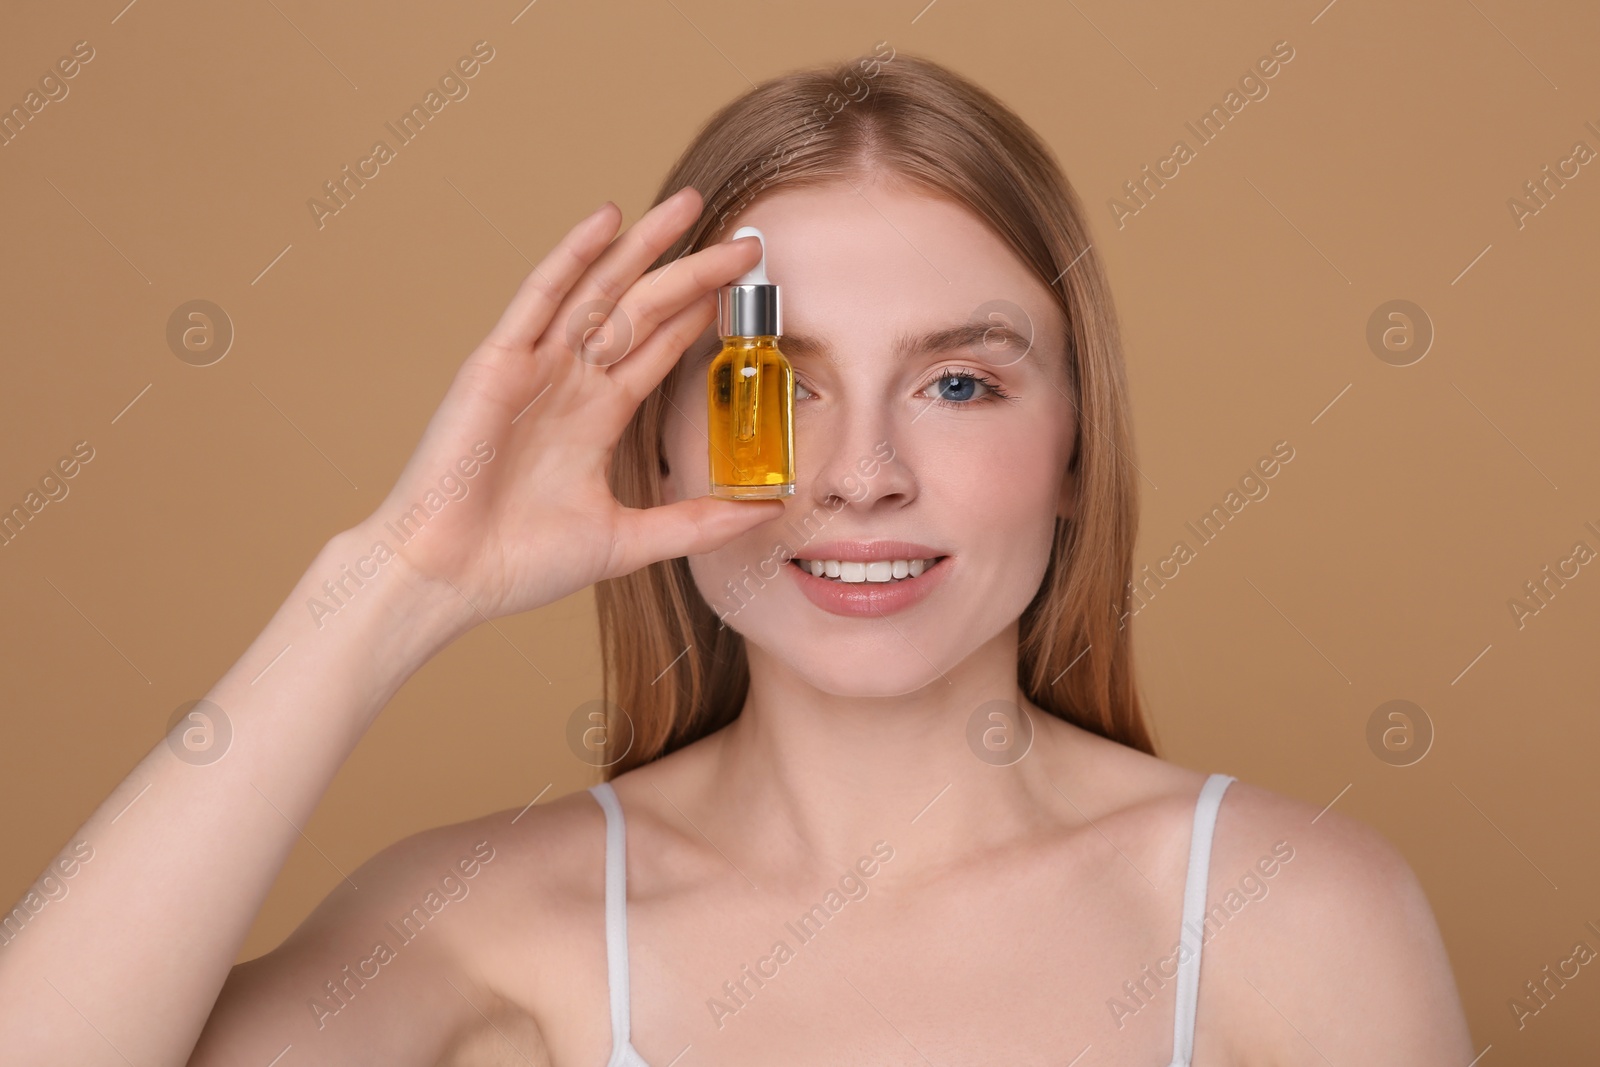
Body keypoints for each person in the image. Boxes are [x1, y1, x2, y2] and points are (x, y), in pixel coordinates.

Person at [0, 51, 1474, 1066]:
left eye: (959, 382)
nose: (863, 475)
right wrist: (393, 580)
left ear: (1078, 445)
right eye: (771, 388)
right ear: (653, 444)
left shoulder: (1294, 914)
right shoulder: (500, 923)